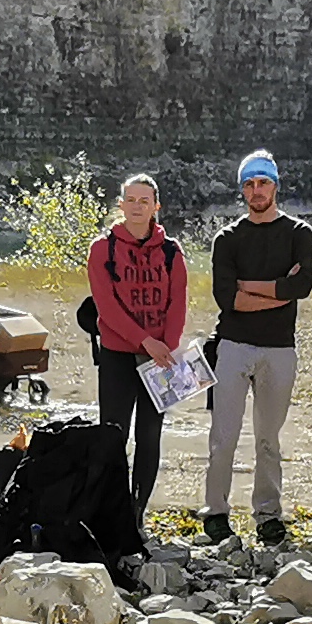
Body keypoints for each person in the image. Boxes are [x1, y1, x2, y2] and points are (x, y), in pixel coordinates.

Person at [203, 151, 312, 543]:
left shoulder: (299, 234)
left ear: (275, 185)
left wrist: (249, 286)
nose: (256, 191)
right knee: (223, 436)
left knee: (269, 437)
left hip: (280, 348)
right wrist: (277, 289)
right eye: (249, 185)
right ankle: (215, 511)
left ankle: (268, 514)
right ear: (242, 190)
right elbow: (226, 300)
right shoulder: (228, 239)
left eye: (262, 182)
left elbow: (300, 287)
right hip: (233, 345)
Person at [82, 173, 192, 507]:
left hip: (161, 360)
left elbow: (178, 303)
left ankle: (137, 511)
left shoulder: (172, 252)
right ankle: (109, 510)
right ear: (120, 204)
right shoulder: (102, 249)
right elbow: (107, 308)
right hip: (117, 357)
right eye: (130, 200)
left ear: (156, 207)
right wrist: (147, 342)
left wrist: (167, 346)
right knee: (111, 437)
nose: (136, 206)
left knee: (149, 437)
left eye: (144, 201)